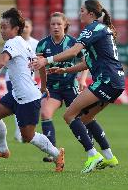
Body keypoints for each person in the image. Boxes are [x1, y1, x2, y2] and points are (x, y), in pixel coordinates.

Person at [30, 0, 125, 173]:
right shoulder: (102, 29)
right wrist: (64, 71)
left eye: (82, 10)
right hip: (117, 82)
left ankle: (93, 155)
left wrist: (47, 60)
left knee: (69, 115)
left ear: (90, 13)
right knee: (86, 118)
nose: (79, 13)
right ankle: (110, 157)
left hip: (106, 80)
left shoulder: (92, 29)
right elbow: (87, 63)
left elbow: (74, 52)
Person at [0, 8, 65, 172]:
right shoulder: (24, 43)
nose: (2, 30)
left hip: (28, 97)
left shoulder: (12, 43)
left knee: (29, 137)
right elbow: (41, 63)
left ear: (15, 29)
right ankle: (2, 149)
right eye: (1, 27)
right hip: (17, 94)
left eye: (5, 27)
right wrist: (42, 85)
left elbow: (1, 62)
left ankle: (57, 154)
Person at [36, 12, 89, 162]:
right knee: (45, 113)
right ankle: (52, 152)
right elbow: (41, 68)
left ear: (65, 25)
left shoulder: (74, 43)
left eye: (59, 24)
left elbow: (86, 62)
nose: (55, 27)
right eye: (53, 24)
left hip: (70, 87)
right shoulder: (43, 44)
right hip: (53, 88)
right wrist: (43, 86)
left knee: (84, 118)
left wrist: (82, 80)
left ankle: (92, 150)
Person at [0, 18, 39, 143]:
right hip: (11, 80)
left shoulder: (34, 43)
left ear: (31, 28)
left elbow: (40, 62)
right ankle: (17, 132)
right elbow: (3, 59)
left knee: (20, 106)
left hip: (27, 83)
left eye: (28, 27)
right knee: (15, 104)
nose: (26, 29)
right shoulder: (13, 42)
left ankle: (22, 130)